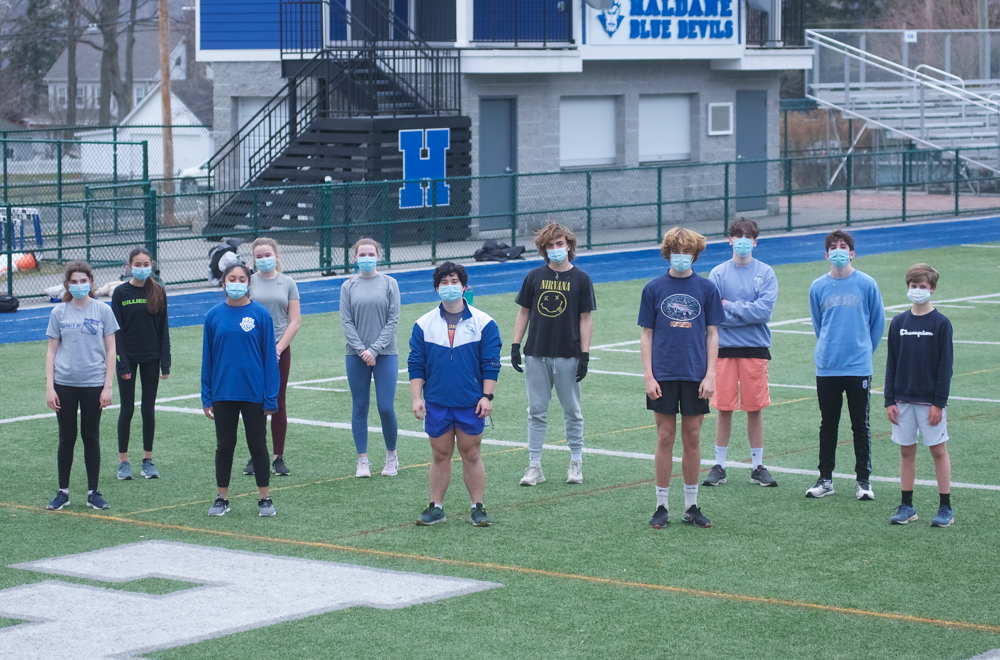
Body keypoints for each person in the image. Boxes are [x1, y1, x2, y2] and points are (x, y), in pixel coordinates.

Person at [639, 228, 724, 529]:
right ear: (667, 253)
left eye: (687, 252)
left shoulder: (706, 288)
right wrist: (649, 376)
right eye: (676, 251)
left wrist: (711, 374)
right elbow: (646, 335)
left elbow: (712, 334)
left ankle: (691, 505)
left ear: (695, 254)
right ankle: (661, 506)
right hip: (663, 374)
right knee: (665, 437)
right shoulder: (653, 288)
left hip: (695, 373)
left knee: (692, 437)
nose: (682, 256)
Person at [408, 262, 501, 527]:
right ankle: (436, 507)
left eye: (454, 282)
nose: (450, 287)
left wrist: (487, 396)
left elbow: (491, 363)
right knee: (440, 455)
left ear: (464, 286)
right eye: (444, 283)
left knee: (471, 454)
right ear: (437, 288)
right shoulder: (423, 324)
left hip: (470, 402)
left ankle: (478, 507)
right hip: (437, 402)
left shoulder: (485, 323)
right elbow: (416, 364)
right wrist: (417, 397)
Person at [511, 223, 595, 487]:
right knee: (536, 410)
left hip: (568, 353)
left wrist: (585, 353)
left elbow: (585, 318)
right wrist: (515, 344)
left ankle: (576, 461)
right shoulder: (534, 276)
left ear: (569, 245)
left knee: (572, 409)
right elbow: (524, 312)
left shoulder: (581, 279)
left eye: (560, 244)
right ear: (543, 250)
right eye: (550, 245)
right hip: (537, 351)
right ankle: (534, 465)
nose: (555, 249)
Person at [806, 229, 885, 501]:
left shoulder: (866, 283)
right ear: (826, 254)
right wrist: (830, 348)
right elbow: (819, 325)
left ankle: (863, 481)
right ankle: (825, 479)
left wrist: (863, 351)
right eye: (833, 247)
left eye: (843, 247)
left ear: (852, 253)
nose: (838, 251)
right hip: (827, 366)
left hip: (858, 367)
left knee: (859, 425)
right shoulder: (817, 286)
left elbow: (878, 322)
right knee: (828, 424)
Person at [201, 263, 280, 517]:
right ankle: (222, 498)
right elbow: (208, 358)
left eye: (242, 278)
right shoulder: (213, 316)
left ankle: (265, 498)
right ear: (224, 283)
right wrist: (207, 395)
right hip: (223, 392)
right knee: (224, 445)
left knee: (258, 445)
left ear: (249, 283)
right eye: (231, 278)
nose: (236, 283)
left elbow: (269, 358)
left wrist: (270, 397)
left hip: (254, 393)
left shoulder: (260, 315)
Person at [705, 218, 778, 488]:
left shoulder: (766, 273)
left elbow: (764, 312)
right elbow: (714, 314)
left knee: (754, 408)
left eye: (749, 236)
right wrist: (745, 312)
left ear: (756, 241)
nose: (743, 240)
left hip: (755, 348)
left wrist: (731, 307)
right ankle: (719, 466)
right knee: (723, 408)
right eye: (738, 235)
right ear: (730, 239)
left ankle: (757, 466)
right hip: (723, 349)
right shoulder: (718, 274)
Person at [45, 261, 119, 511]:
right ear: (67, 285)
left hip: (93, 384)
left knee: (91, 436)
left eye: (83, 281)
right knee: (67, 437)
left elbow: (111, 350)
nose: (79, 285)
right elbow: (51, 352)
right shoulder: (59, 313)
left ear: (91, 282)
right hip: (64, 384)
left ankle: (93, 492)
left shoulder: (102, 310)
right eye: (73, 282)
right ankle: (63, 492)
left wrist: (107, 386)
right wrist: (49, 387)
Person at [885, 264, 954, 527]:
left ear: (932, 289)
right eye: (913, 286)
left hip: (929, 402)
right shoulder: (899, 322)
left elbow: (945, 367)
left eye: (922, 287)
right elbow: (892, 362)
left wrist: (938, 403)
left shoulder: (941, 323)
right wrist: (889, 399)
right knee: (906, 452)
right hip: (902, 400)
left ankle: (945, 507)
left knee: (937, 450)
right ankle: (907, 505)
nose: (917, 291)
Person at [340, 238, 401, 478]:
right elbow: (346, 321)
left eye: (370, 253)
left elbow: (393, 319)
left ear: (378, 255)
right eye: (361, 254)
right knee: (360, 406)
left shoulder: (389, 283)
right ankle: (362, 460)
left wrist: (374, 350)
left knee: (386, 407)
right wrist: (361, 349)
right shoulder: (348, 286)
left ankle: (391, 456)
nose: (366, 257)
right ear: (355, 257)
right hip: (355, 355)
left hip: (385, 354)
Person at [243, 237, 301, 477]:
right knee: (253, 403)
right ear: (253, 259)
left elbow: (295, 321)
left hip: (279, 349)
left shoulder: (287, 283)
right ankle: (257, 455)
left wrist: (277, 348)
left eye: (268, 255)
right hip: (251, 350)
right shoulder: (247, 282)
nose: (264, 259)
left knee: (277, 400)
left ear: (276, 256)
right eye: (259, 256)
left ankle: (277, 457)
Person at [112, 247, 170, 481]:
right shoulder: (120, 293)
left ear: (151, 265)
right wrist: (122, 364)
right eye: (138, 264)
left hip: (151, 358)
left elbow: (163, 329)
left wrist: (165, 363)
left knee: (148, 409)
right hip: (128, 359)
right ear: (129, 265)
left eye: (146, 264)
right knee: (127, 409)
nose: (142, 268)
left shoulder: (159, 291)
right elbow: (115, 332)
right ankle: (123, 462)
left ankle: (147, 460)